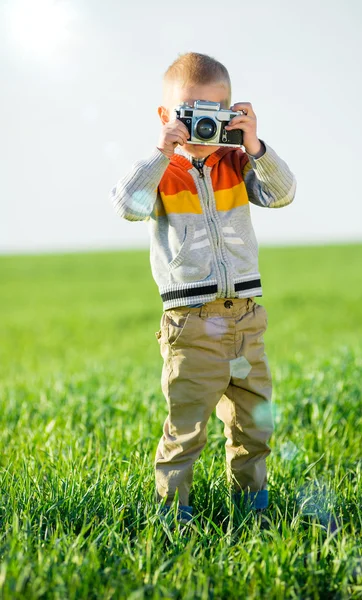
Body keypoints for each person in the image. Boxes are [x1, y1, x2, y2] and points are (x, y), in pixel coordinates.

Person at [109, 52, 296, 527]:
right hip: (191, 325)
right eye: (189, 113)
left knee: (255, 422)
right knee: (187, 427)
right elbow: (127, 206)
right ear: (166, 116)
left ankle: (253, 510)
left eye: (213, 113)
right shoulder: (162, 171)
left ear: (230, 114)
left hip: (244, 321)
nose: (201, 126)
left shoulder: (236, 162)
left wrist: (255, 146)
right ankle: (174, 516)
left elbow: (283, 193)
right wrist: (160, 152)